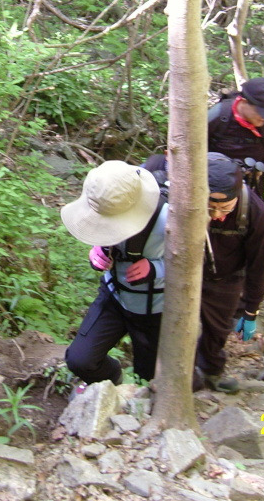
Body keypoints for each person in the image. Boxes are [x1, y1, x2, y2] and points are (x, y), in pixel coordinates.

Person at [61, 160, 167, 386]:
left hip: (155, 309)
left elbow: (197, 264)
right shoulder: (103, 197)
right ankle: (112, 381)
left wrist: (156, 268)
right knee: (80, 360)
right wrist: (97, 251)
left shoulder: (168, 216)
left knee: (148, 380)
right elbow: (102, 232)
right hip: (114, 298)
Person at [196, 153, 264, 393]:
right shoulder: (189, 200)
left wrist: (251, 309)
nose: (217, 215)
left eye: (225, 208)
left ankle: (210, 371)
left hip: (226, 278)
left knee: (217, 329)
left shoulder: (255, 213)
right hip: (187, 272)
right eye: (211, 207)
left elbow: (258, 266)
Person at [207, 78, 264, 215]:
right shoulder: (218, 116)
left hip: (252, 193)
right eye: (261, 112)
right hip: (213, 196)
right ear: (243, 102)